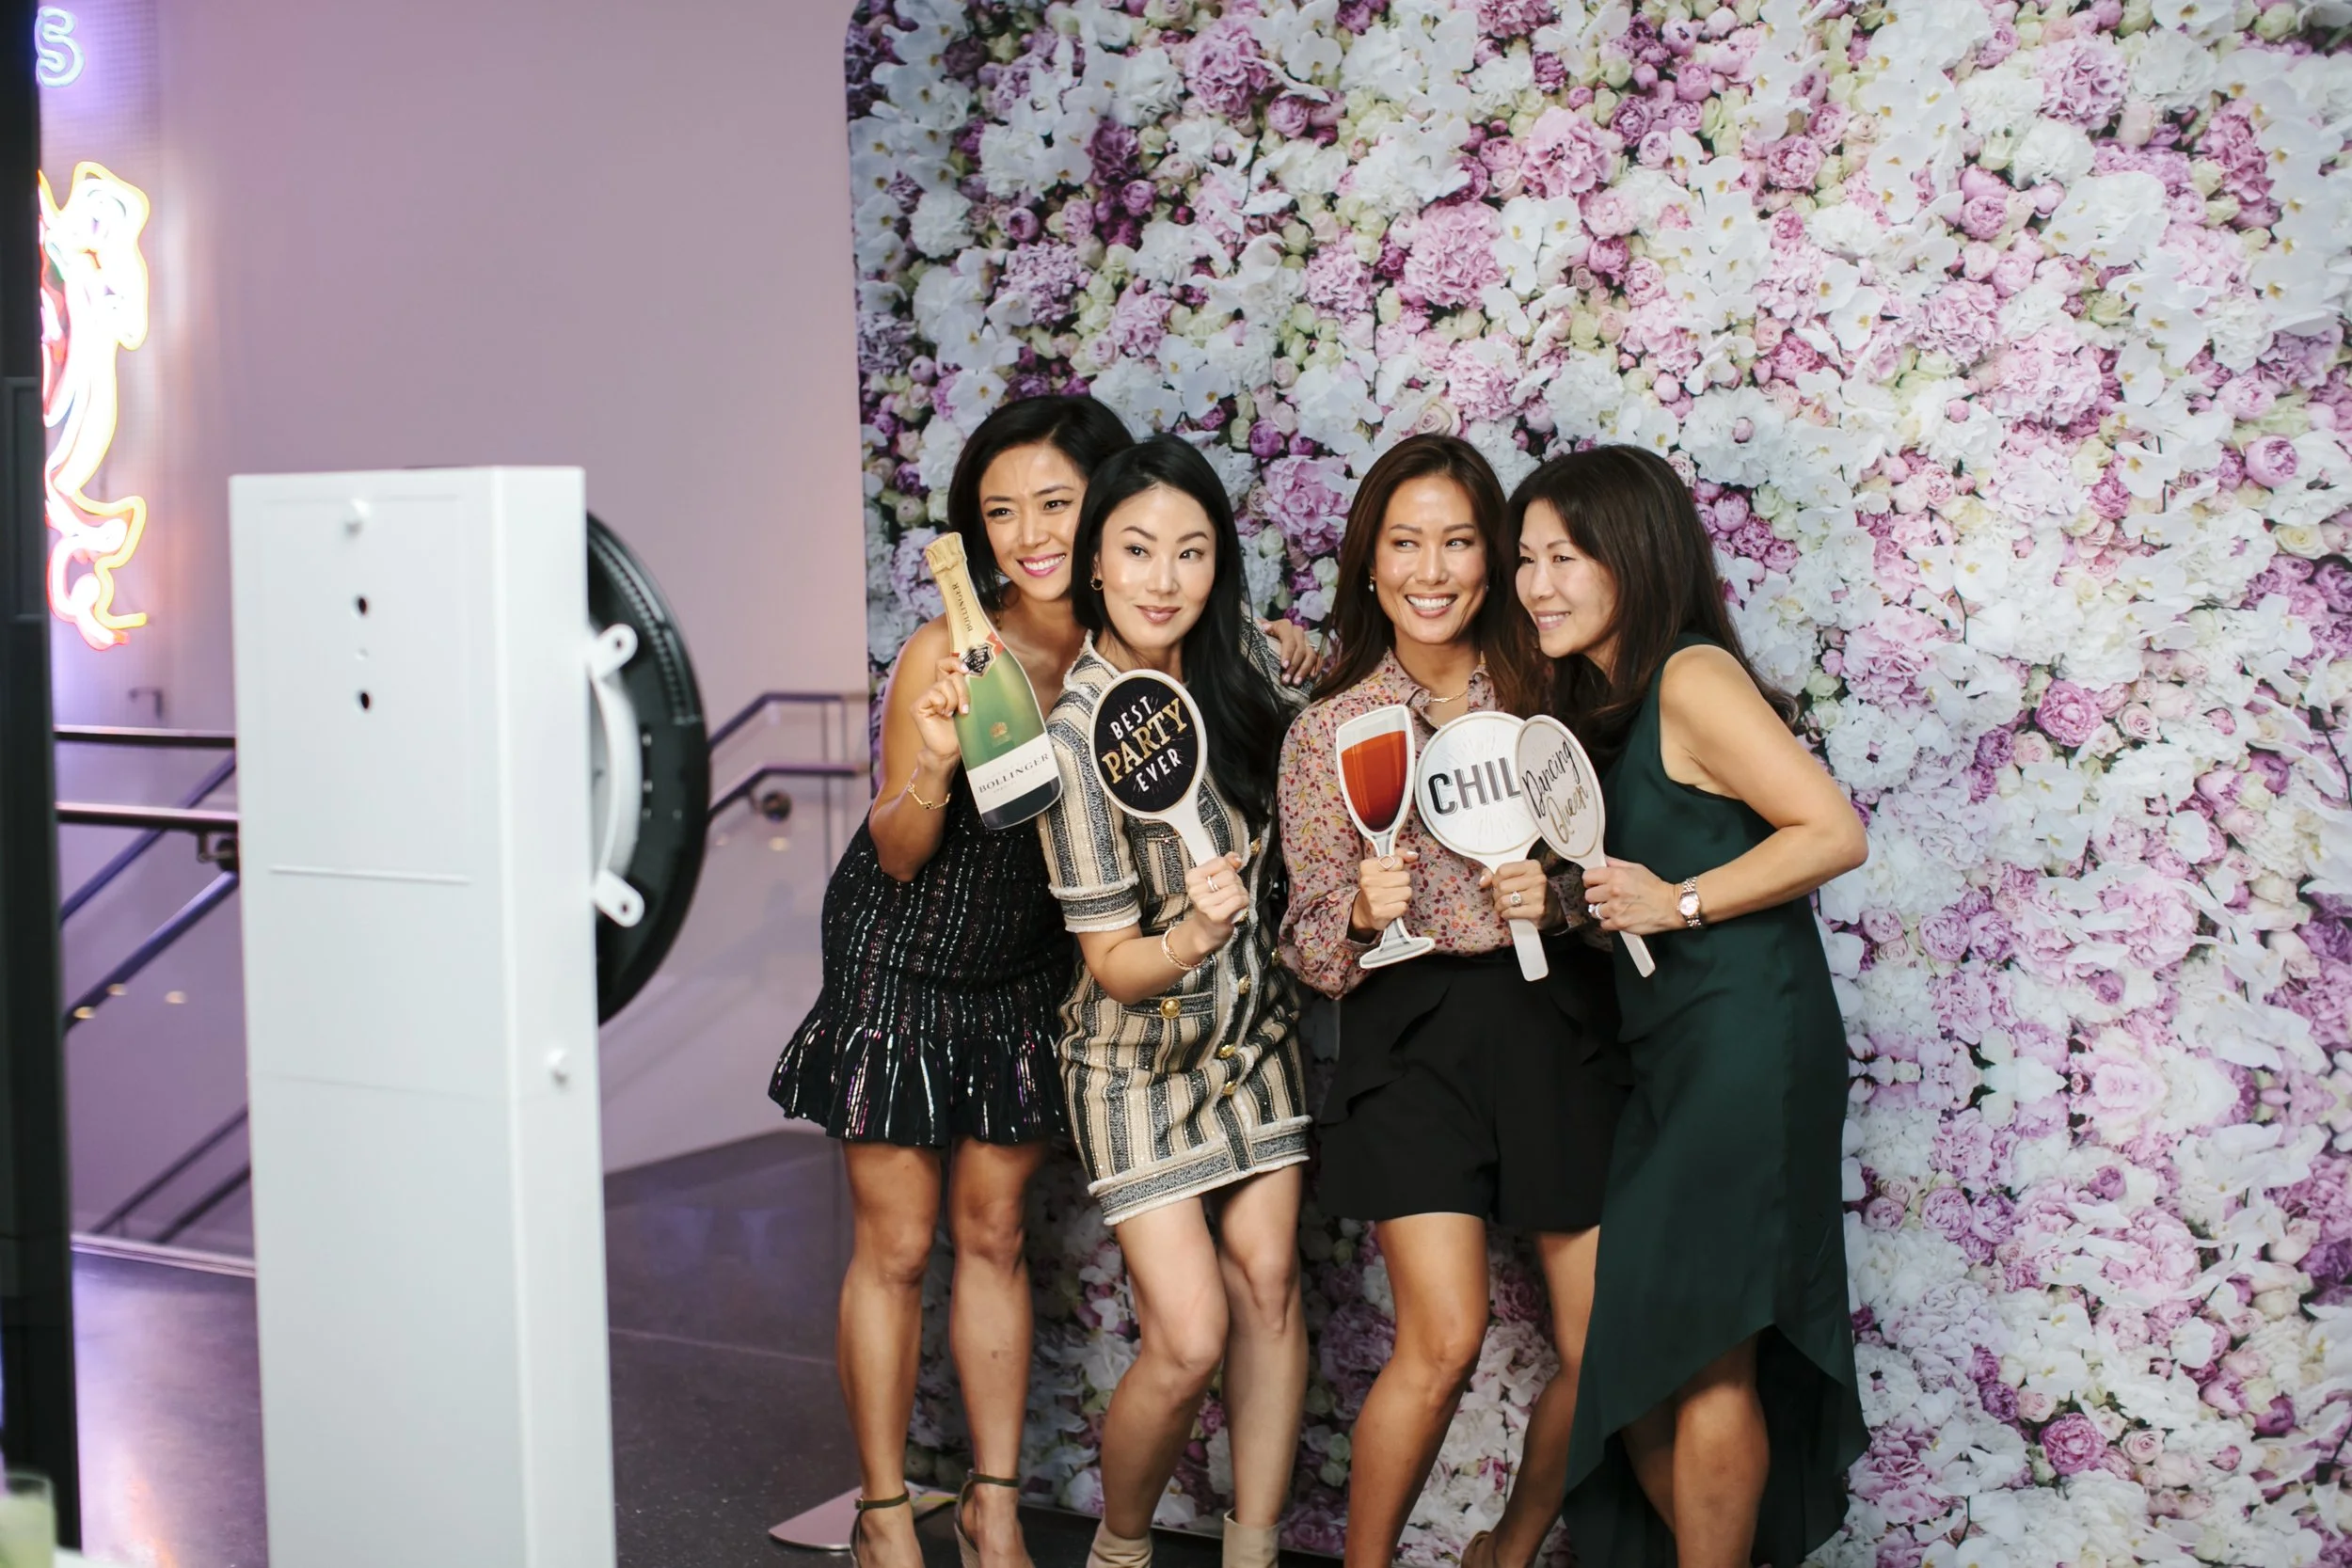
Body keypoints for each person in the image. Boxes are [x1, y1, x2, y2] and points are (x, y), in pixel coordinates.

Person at [769, 394, 1311, 1568]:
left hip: (1029, 968)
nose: (1025, 533)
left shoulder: (1146, 635)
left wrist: (1287, 646)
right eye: (998, 511)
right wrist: (930, 755)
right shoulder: (957, 651)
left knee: (998, 1231)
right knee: (900, 1245)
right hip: (905, 956)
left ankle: (994, 1503)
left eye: (1054, 504)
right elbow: (902, 851)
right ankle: (879, 1510)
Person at [1274, 434, 1628, 1568]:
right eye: (1405, 541)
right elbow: (1309, 946)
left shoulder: (1549, 688)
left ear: (1495, 556)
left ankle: (1508, 1544)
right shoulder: (1329, 728)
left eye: (1460, 540)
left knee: (1605, 1337)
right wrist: (1364, 915)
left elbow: (1617, 857)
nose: (1432, 568)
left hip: (1549, 1020)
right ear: (1370, 562)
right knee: (1444, 1337)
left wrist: (1561, 894)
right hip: (1410, 1037)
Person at [1513, 445, 1868, 1568]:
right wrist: (1569, 900)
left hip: (1746, 1047)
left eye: (1564, 556)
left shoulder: (1692, 674)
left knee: (1706, 1347)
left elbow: (1832, 832)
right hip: (1677, 1055)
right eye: (1525, 558)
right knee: (1656, 1348)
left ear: (1636, 555)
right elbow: (1651, 884)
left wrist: (1684, 900)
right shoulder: (1603, 697)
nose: (1535, 585)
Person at [1035, 435, 1308, 1568]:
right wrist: (1191, 928)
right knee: (1187, 1336)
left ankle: (1251, 1551)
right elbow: (1110, 961)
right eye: (1137, 549)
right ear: (1094, 562)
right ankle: (1122, 1545)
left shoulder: (1240, 654)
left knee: (1273, 1285)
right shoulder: (1069, 735)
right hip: (1134, 1061)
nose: (1163, 579)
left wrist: (1301, 644)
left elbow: (1332, 670)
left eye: (1190, 552)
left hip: (1253, 1035)